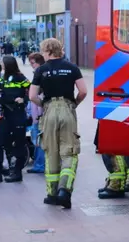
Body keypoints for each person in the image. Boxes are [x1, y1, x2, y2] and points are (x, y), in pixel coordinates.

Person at [29, 38, 87, 209]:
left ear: (47, 51)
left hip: (49, 110)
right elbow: (83, 91)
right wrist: (74, 103)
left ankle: (52, 194)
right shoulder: (72, 67)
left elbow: (32, 96)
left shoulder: (41, 70)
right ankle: (65, 190)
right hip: (67, 109)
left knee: (51, 152)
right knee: (69, 152)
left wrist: (44, 105)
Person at [0, 55, 31, 183]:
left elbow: (33, 89)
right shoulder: (3, 78)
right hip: (6, 115)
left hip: (17, 114)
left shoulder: (20, 77)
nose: (1, 66)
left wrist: (24, 99)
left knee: (19, 144)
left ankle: (17, 173)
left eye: (3, 64)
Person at [26, 52, 46, 174]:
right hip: (36, 114)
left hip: (38, 115)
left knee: (39, 141)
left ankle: (40, 165)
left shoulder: (40, 76)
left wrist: (38, 114)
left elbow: (37, 96)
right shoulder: (39, 74)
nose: (32, 66)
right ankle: (40, 164)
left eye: (33, 63)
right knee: (38, 141)